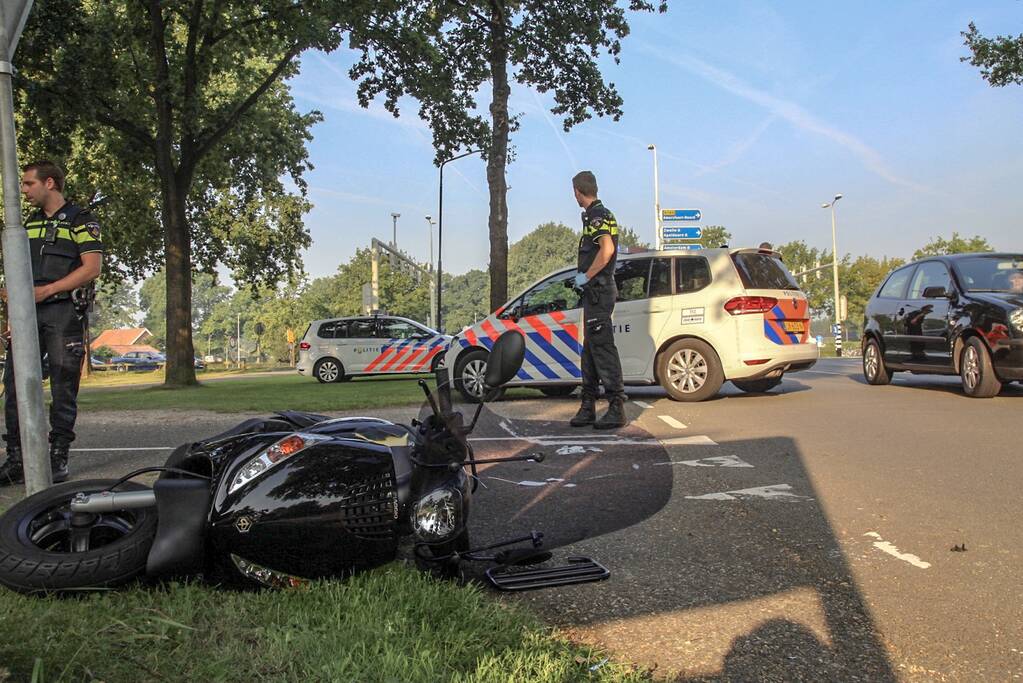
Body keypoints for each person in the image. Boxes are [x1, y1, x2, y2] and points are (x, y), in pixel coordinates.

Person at [0, 160, 103, 485]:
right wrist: (14, 310)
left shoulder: (80, 220)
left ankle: (58, 457)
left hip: (63, 312)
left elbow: (91, 267)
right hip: (28, 315)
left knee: (63, 387)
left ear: (49, 183)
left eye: (29, 184)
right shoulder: (26, 225)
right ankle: (17, 458)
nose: (24, 191)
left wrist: (48, 290)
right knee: (15, 386)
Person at [568, 171, 626, 429]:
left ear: (578, 191)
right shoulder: (599, 215)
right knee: (590, 350)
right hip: (596, 293)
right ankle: (587, 406)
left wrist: (585, 277)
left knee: (602, 348)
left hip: (599, 290)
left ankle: (616, 408)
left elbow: (607, 250)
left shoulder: (596, 216)